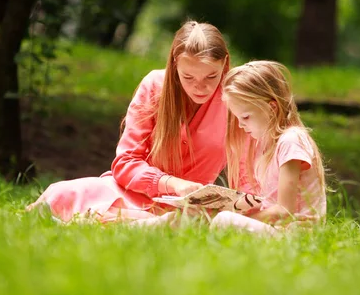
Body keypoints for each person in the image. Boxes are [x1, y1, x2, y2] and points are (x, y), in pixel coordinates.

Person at [27, 20, 230, 223]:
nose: (200, 87)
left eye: (211, 77)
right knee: (64, 193)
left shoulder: (235, 100)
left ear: (225, 65)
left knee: (185, 220)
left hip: (192, 207)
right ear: (175, 64)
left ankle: (129, 222)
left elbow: (248, 172)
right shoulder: (154, 85)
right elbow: (126, 163)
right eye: (188, 77)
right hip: (133, 194)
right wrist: (172, 184)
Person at [210, 61, 327, 234]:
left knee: (224, 221)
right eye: (237, 118)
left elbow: (284, 211)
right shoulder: (265, 144)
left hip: (297, 234)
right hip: (278, 230)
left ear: (271, 107)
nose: (241, 125)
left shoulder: (291, 140)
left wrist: (243, 219)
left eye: (246, 117)